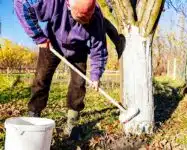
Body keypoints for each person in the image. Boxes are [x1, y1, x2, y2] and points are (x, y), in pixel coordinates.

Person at [14, 0, 124, 135]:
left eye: (89, 15)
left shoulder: (96, 18)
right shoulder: (53, 3)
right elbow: (21, 3)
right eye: (82, 16)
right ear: (68, 5)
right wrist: (38, 37)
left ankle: (72, 122)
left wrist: (96, 75)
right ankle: (34, 114)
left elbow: (99, 50)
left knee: (78, 84)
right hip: (52, 43)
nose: (87, 19)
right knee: (41, 79)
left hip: (78, 49)